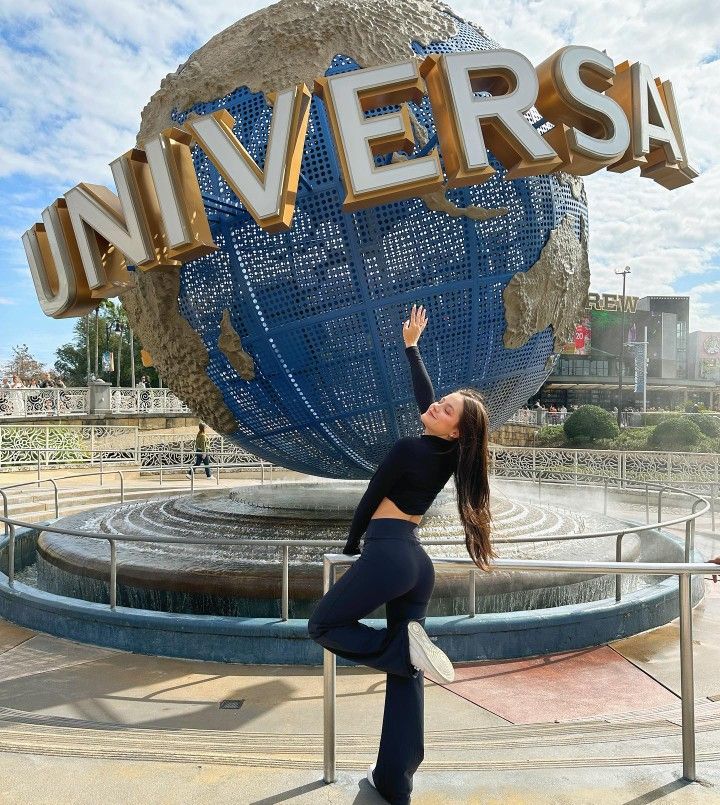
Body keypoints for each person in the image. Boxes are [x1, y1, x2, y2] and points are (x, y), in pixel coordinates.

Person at [308, 304, 493, 805]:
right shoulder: (449, 453)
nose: (436, 407)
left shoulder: (408, 451)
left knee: (323, 626)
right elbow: (426, 400)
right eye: (443, 402)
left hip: (389, 553)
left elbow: (370, 501)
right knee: (405, 678)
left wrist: (349, 547)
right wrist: (411, 348)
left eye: (447, 410)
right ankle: (395, 778)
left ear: (454, 430)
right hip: (416, 564)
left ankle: (398, 651)